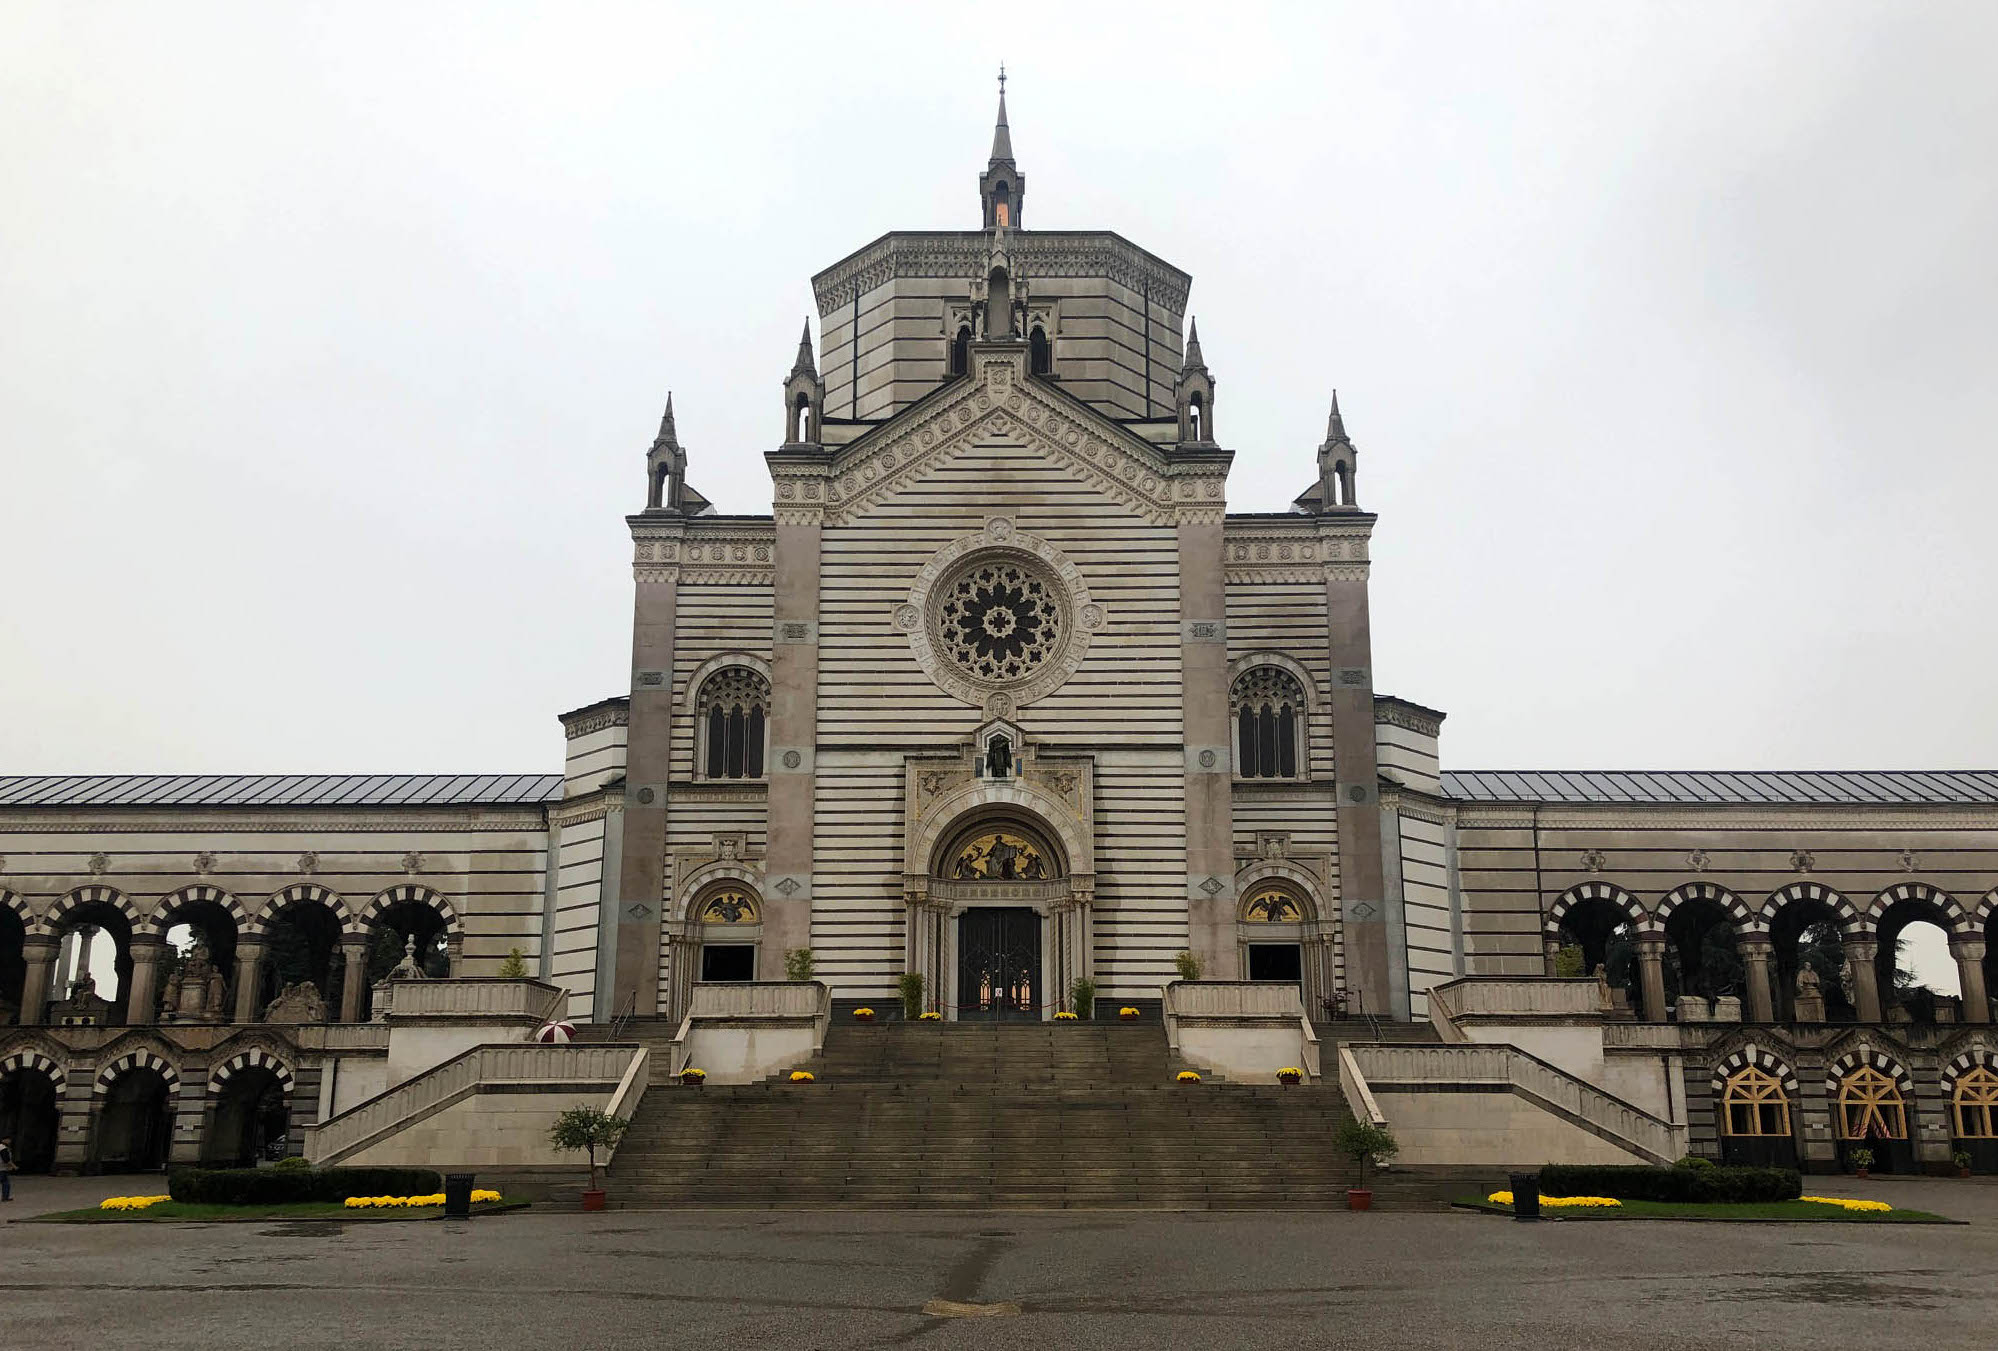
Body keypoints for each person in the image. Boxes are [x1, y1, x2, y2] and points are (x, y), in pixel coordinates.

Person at [1, 1136, 14, 1203]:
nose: (9, 1141)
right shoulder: (3, 1147)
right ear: (4, 1140)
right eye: (8, 1140)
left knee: (6, 1183)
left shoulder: (4, 1147)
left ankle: (5, 1197)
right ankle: (5, 1197)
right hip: (1, 1168)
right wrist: (13, 1166)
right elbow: (6, 1159)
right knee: (6, 1183)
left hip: (3, 1168)